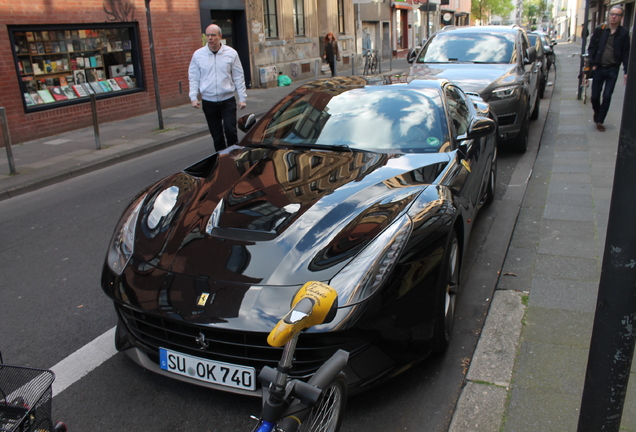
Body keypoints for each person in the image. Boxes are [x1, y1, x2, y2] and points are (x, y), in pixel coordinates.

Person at [189, 24, 247, 151]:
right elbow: (194, 77)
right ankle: (221, 160)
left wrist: (242, 98)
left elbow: (238, 75)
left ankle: (234, 157)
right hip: (209, 101)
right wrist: (193, 97)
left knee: (230, 131)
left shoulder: (231, 53)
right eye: (207, 35)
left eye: (213, 35)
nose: (210, 38)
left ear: (220, 36)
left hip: (227, 100)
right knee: (217, 136)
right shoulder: (198, 55)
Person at [587, 5, 630, 132]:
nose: (614, 17)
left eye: (617, 15)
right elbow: (591, 48)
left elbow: (626, 53)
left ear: (621, 18)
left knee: (607, 96)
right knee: (595, 96)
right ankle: (597, 112)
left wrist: (626, 71)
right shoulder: (600, 30)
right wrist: (592, 63)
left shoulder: (623, 33)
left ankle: (600, 121)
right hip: (599, 68)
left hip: (613, 69)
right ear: (608, 15)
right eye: (612, 14)